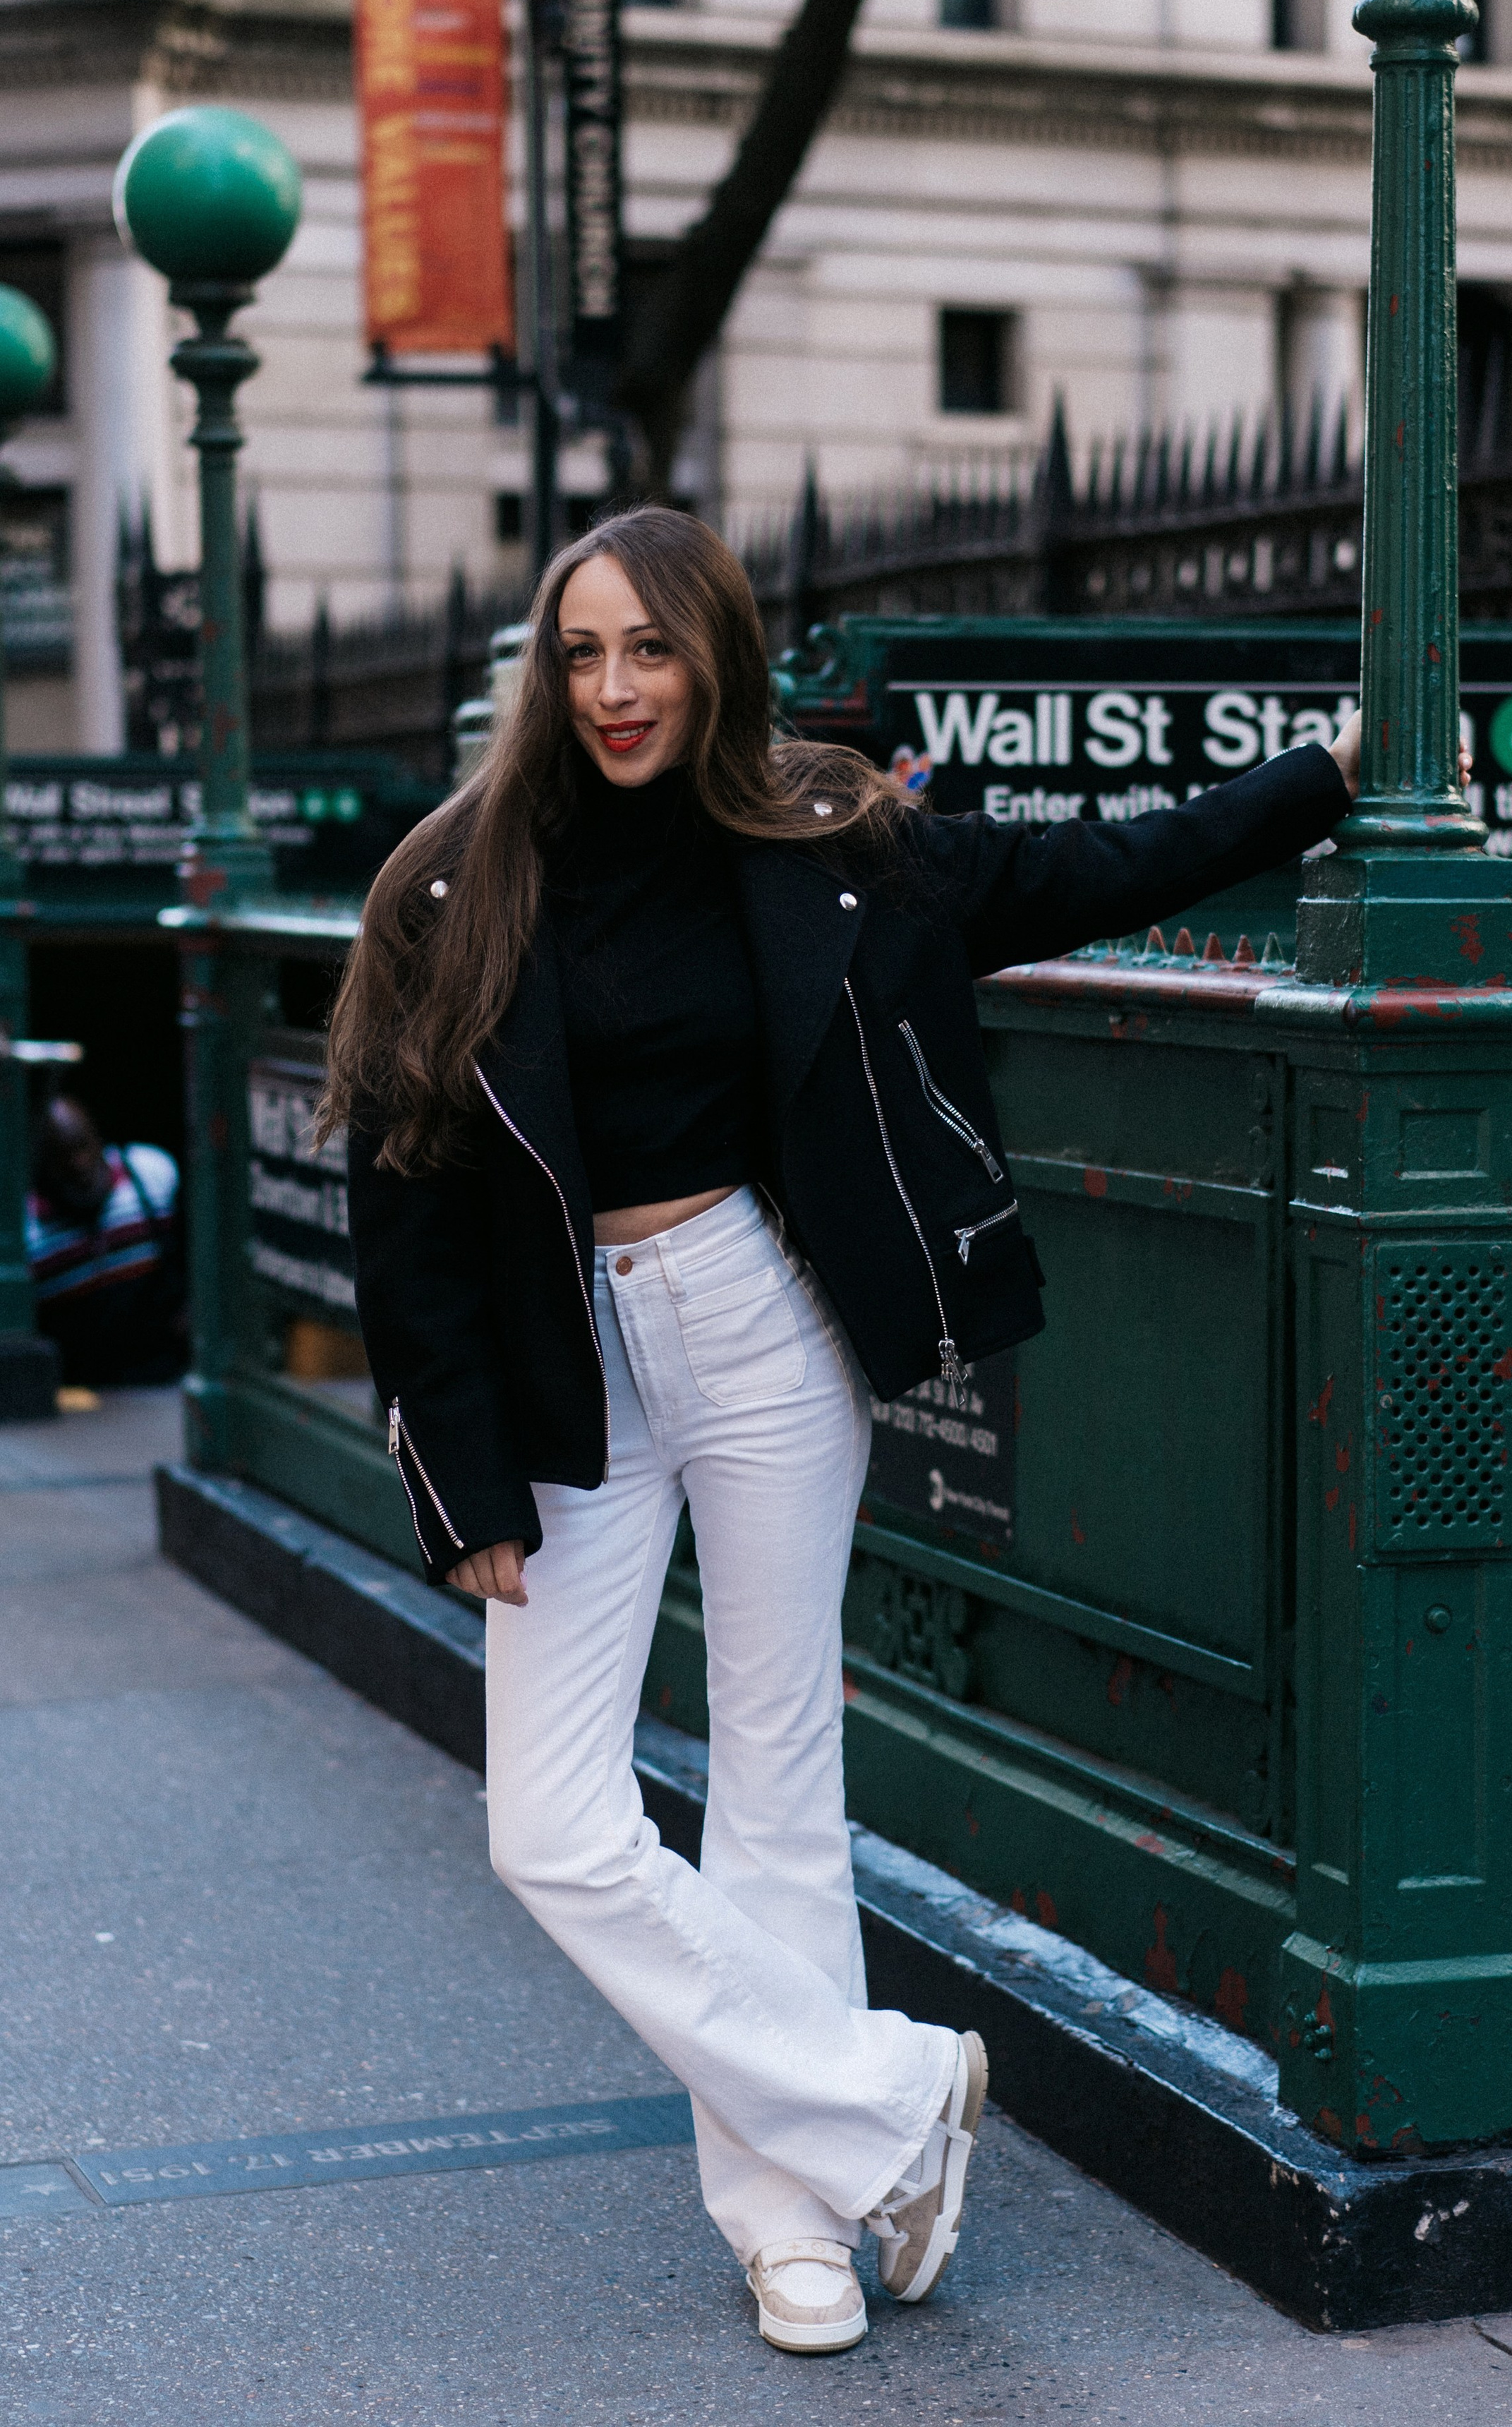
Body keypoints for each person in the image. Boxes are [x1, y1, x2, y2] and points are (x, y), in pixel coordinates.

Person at [324, 505, 1360, 2356]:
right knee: (549, 1827)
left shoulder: (826, 837)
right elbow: (405, 1183)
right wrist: (453, 1468)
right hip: (568, 1358)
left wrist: (1325, 780)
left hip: (762, 1318)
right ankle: (888, 2104)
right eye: (582, 653)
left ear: (716, 652)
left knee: (778, 1789)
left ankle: (793, 2222)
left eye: (652, 648)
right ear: (547, 676)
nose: (616, 688)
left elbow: (1077, 871)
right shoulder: (453, 879)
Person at [27, 1096, 186, 1387]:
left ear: (98, 1138)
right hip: (79, 1395)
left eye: (83, 1146)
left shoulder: (151, 1176)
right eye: (62, 1155)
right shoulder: (29, 1230)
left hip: (162, 1381)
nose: (78, 1164)